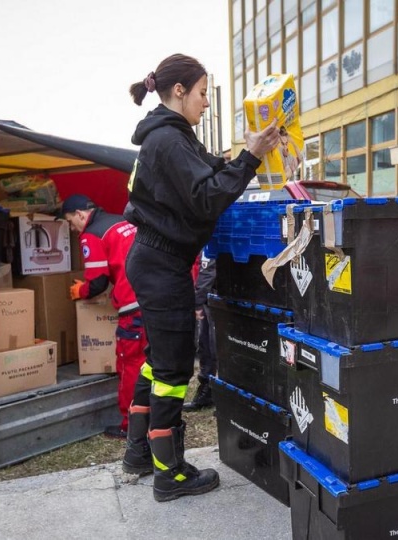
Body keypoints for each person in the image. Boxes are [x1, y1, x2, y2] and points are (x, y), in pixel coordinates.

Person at [121, 53, 280, 502]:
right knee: (172, 370)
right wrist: (250, 158)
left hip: (156, 260)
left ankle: (137, 452)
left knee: (158, 359)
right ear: (179, 92)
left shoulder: (172, 137)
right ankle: (168, 474)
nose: (207, 102)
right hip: (162, 264)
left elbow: (210, 168)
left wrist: (245, 151)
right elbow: (208, 198)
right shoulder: (168, 141)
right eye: (204, 93)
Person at [61, 193, 145, 441]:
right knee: (148, 365)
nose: (72, 228)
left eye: (69, 221)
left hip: (133, 306)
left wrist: (81, 291)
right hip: (153, 300)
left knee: (129, 365)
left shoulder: (92, 233)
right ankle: (151, 416)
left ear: (80, 215)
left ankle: (131, 425)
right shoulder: (122, 221)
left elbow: (97, 282)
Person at [183, 253, 217, 411]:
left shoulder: (211, 237)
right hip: (214, 297)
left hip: (215, 298)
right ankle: (207, 390)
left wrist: (197, 302)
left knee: (210, 346)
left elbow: (208, 270)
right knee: (206, 345)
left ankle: (209, 390)